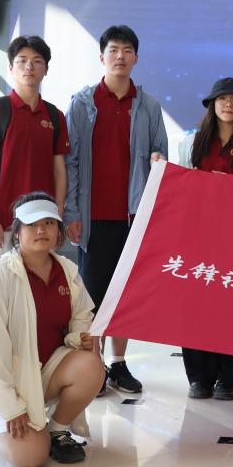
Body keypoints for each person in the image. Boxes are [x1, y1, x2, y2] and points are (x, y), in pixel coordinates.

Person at [64, 24, 168, 396]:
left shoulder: (149, 106)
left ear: (136, 57)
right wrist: (72, 213)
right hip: (93, 217)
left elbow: (161, 155)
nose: (120, 56)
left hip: (132, 217)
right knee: (93, 295)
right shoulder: (82, 103)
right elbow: (71, 161)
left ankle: (119, 364)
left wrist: (157, 160)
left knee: (124, 294)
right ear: (102, 56)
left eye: (127, 50)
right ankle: (93, 365)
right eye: (113, 50)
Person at [0, 193, 105, 467]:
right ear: (17, 233)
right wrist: (10, 407)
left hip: (44, 371)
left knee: (91, 365)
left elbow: (82, 315)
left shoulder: (67, 271)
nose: (41, 230)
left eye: (49, 223)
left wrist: (79, 336)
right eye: (32, 224)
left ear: (58, 231)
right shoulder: (0, 276)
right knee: (31, 457)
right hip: (4, 380)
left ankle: (57, 430)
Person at [172, 76, 233, 399]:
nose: (228, 104)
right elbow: (181, 189)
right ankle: (199, 377)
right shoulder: (190, 143)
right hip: (198, 236)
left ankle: (229, 377)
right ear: (212, 105)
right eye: (222, 99)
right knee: (196, 306)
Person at [0, 35, 70, 278]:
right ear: (11, 67)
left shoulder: (56, 116)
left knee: (34, 289)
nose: (29, 66)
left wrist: (57, 218)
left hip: (40, 224)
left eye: (37, 61)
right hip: (2, 222)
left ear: (46, 69)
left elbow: (59, 171)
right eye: (22, 60)